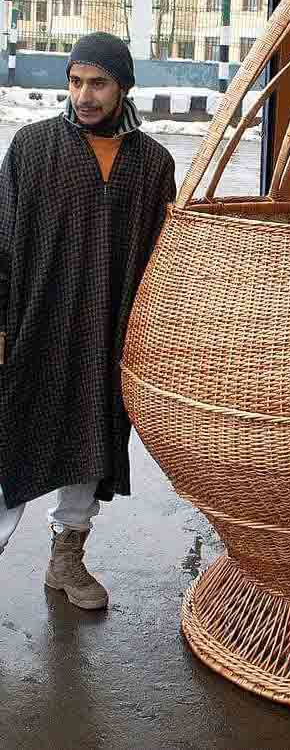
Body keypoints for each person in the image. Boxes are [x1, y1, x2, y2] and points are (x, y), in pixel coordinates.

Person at [0, 32, 176, 609]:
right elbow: (3, 240)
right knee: (14, 437)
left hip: (107, 332)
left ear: (123, 85)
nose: (84, 95)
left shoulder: (153, 163)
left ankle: (66, 559)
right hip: (36, 323)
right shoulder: (31, 146)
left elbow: (162, 256)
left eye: (97, 83)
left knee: (91, 439)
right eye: (76, 82)